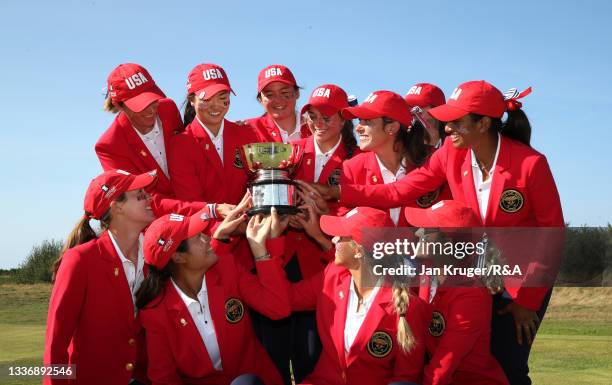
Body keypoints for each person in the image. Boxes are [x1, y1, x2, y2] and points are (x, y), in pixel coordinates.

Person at [317, 80, 564, 385]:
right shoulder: (451, 154)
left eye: (457, 122)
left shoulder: (531, 164)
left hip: (519, 281)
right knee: (467, 364)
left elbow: (551, 236)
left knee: (509, 367)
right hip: (472, 275)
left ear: (483, 123)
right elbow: (400, 191)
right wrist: (339, 191)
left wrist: (527, 301)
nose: (447, 129)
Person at [253, 84, 359, 384]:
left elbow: (355, 217)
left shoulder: (357, 159)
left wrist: (321, 217)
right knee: (273, 355)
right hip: (282, 258)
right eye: (312, 116)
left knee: (312, 355)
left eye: (327, 117)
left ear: (343, 118)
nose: (318, 123)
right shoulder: (292, 152)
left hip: (323, 264)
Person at [136, 196, 291, 385]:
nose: (208, 237)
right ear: (178, 257)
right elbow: (164, 378)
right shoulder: (156, 312)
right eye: (197, 237)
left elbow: (278, 308)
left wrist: (261, 252)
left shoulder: (227, 268)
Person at [44, 169, 166, 385]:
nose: (150, 198)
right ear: (117, 206)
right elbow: (56, 342)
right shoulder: (80, 260)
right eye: (140, 195)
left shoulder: (155, 257)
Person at [287, 207, 430, 385]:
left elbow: (406, 378)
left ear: (358, 251)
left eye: (341, 237)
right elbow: (283, 300)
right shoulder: (333, 275)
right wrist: (265, 252)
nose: (333, 240)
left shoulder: (407, 307)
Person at [405, 200, 509, 385]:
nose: (418, 232)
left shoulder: (471, 296)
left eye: (427, 229)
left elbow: (443, 366)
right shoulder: (427, 277)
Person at [339, 90, 449, 225]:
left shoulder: (433, 161)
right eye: (359, 121)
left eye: (367, 121)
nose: (358, 128)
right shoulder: (352, 168)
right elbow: (344, 221)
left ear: (392, 127)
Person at [168, 63, 259, 207]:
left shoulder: (246, 135)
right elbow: (191, 203)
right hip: (208, 228)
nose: (215, 105)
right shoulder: (180, 144)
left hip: (249, 225)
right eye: (207, 99)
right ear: (192, 100)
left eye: (222, 97)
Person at [96, 63, 183, 197]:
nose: (150, 109)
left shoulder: (169, 109)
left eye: (152, 99)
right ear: (118, 105)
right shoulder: (110, 146)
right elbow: (141, 200)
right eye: (139, 105)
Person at [246, 64, 310, 143]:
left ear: (297, 93)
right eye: (270, 95)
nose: (278, 100)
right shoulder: (248, 130)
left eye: (284, 93)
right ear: (260, 99)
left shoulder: (317, 127)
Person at [404, 83, 446, 148]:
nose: (412, 110)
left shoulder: (454, 138)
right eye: (409, 106)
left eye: (418, 105)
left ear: (436, 108)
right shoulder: (406, 138)